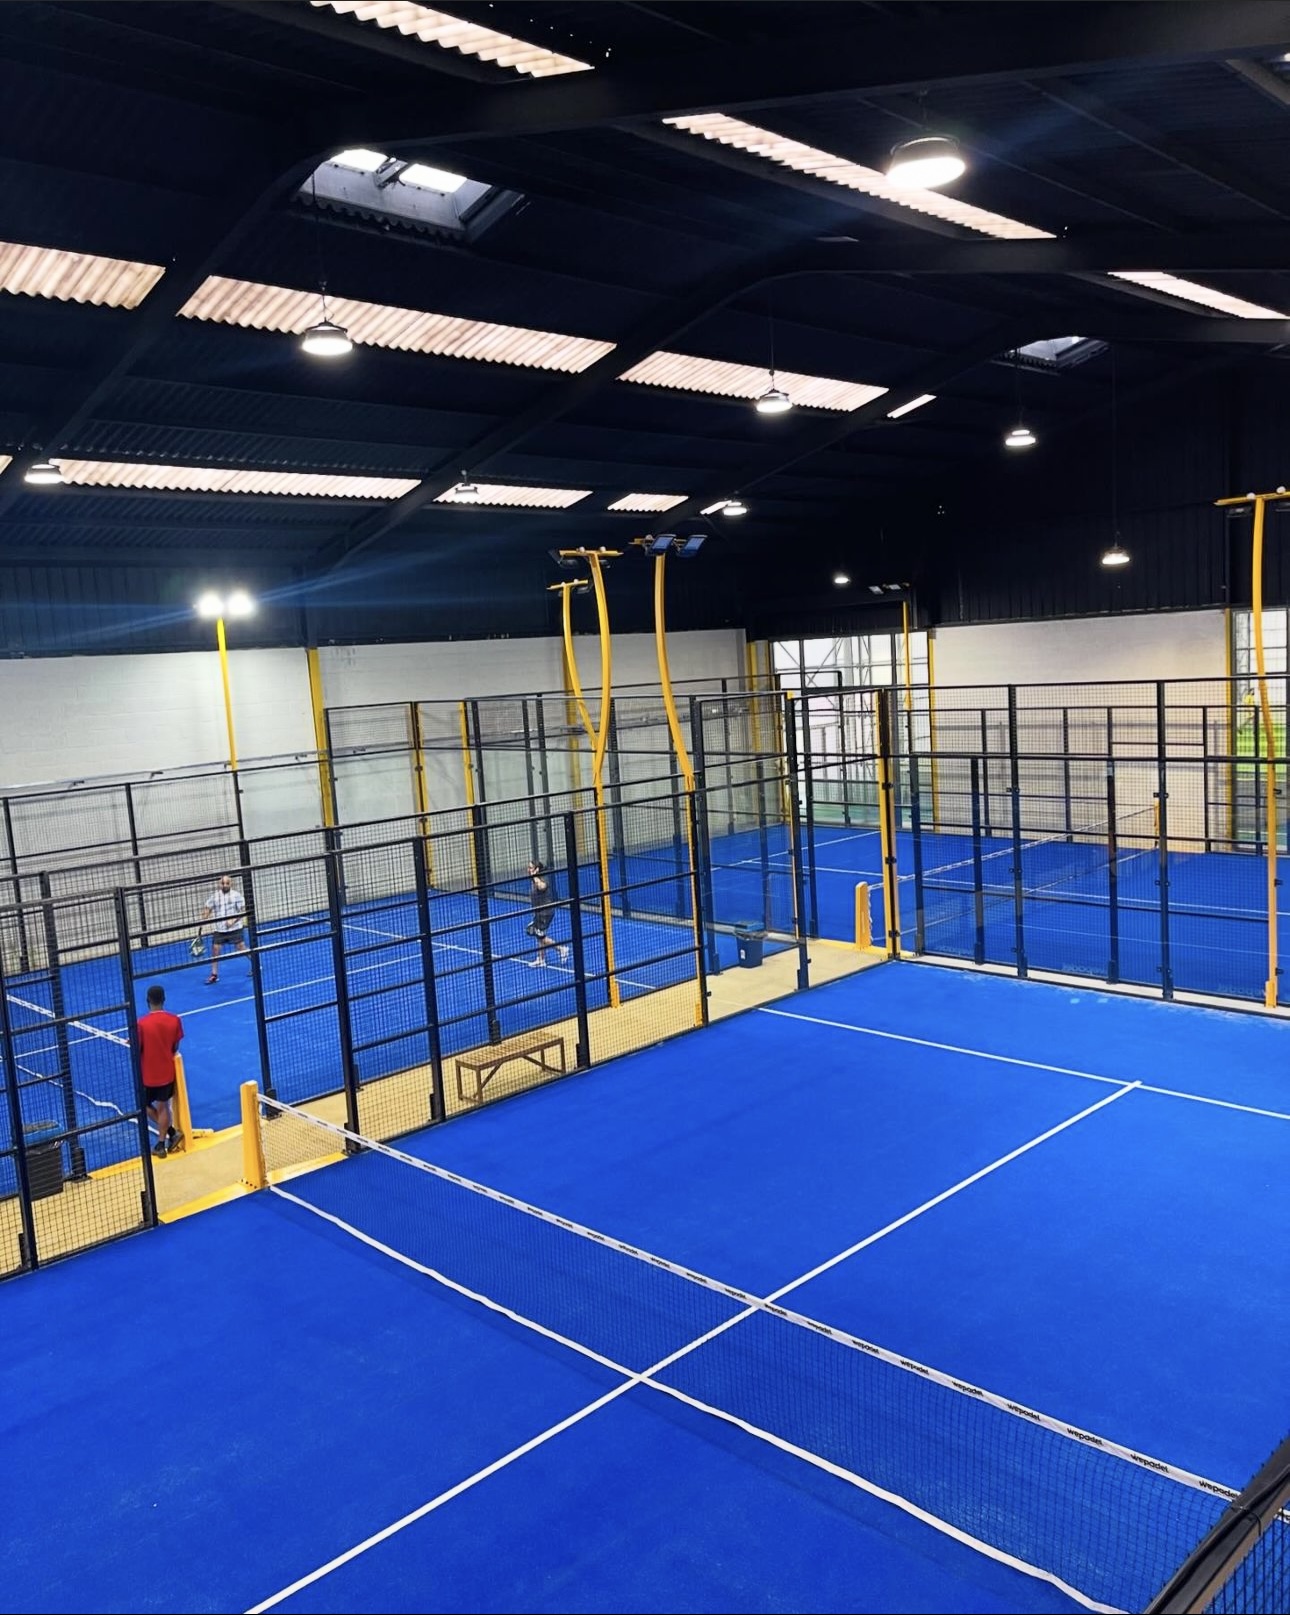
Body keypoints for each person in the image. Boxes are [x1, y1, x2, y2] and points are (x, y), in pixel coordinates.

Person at [137, 984, 184, 1158]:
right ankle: (164, 1140)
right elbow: (175, 1046)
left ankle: (168, 1136)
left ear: (147, 1000)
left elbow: (138, 1048)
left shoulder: (141, 1024)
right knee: (163, 1107)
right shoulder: (174, 1020)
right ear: (164, 999)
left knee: (143, 1105)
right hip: (167, 1072)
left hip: (148, 1074)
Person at [201, 873, 249, 985]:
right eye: (223, 883)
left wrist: (233, 921)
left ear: (231, 884)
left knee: (241, 948)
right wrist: (205, 914)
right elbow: (208, 908)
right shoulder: (215, 896)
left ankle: (256, 964)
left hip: (235, 928)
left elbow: (243, 911)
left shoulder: (236, 895)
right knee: (215, 950)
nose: (225, 885)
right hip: (220, 929)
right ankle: (214, 975)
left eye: (227, 883)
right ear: (219, 884)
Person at [525, 860, 569, 968]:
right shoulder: (533, 879)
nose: (528, 870)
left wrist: (534, 876)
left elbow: (542, 887)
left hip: (546, 913)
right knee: (539, 935)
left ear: (537, 869)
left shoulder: (543, 878)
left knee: (540, 936)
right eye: (528, 867)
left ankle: (561, 949)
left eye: (531, 868)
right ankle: (541, 959)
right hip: (539, 912)